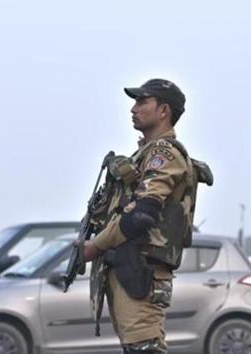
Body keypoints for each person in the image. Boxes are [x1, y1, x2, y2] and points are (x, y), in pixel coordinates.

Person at [82, 78, 211, 353]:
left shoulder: (164, 153)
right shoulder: (144, 155)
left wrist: (95, 247)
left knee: (144, 348)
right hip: (128, 269)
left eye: (142, 102)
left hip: (142, 272)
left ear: (163, 111)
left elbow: (143, 214)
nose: (133, 108)